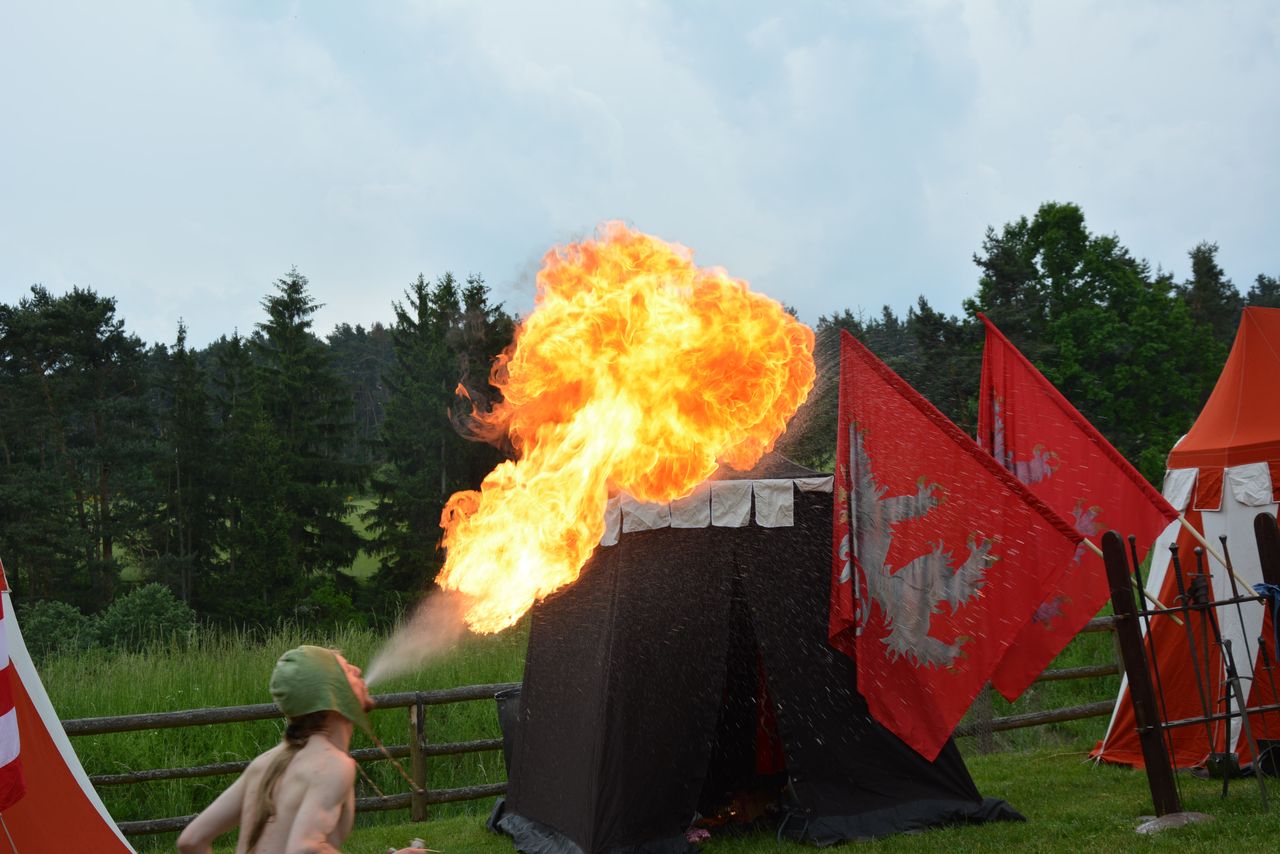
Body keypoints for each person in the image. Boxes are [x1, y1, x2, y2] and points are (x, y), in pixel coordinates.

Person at [177, 646, 426, 854]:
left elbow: (192, 840)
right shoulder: (333, 764)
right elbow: (304, 849)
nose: (358, 670)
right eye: (347, 670)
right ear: (331, 692)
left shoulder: (264, 763)